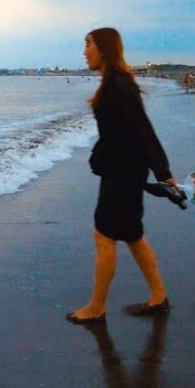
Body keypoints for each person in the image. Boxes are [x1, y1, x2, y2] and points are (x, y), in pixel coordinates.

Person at [68, 28, 177, 325]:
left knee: (104, 235)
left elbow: (142, 129)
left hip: (124, 174)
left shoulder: (119, 86)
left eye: (88, 44)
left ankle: (96, 307)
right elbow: (117, 132)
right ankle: (158, 296)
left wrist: (163, 172)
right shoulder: (113, 84)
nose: (84, 51)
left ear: (103, 48)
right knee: (132, 235)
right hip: (123, 170)